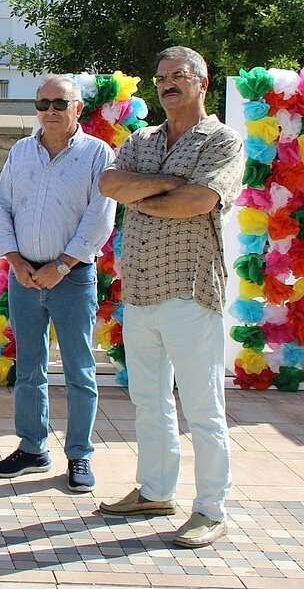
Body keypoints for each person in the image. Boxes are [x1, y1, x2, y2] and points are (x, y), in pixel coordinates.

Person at [97, 47, 243, 549]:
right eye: (160, 78)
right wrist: (164, 185)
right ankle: (156, 491)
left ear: (203, 82)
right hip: (139, 290)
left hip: (190, 289)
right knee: (148, 400)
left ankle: (211, 508)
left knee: (203, 407)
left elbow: (201, 200)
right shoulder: (143, 139)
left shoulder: (221, 140)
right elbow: (110, 183)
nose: (166, 85)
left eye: (177, 76)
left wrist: (145, 197)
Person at [0, 76, 117, 492]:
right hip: (25, 276)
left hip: (72, 277)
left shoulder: (98, 154)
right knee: (29, 368)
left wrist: (61, 266)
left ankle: (79, 457)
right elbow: (4, 206)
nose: (50, 110)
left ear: (77, 108)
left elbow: (100, 216)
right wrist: (14, 259)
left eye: (59, 102)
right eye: (42, 102)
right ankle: (32, 448)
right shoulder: (22, 153)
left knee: (80, 371)